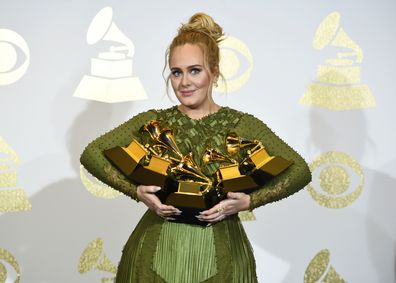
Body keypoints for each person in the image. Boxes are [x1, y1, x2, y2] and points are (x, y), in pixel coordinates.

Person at [80, 12, 311, 283]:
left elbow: (300, 170)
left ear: (214, 72)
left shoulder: (242, 124)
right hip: (151, 257)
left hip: (224, 261)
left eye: (194, 70)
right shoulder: (153, 121)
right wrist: (137, 192)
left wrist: (250, 201)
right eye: (176, 72)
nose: (184, 82)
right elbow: (92, 153)